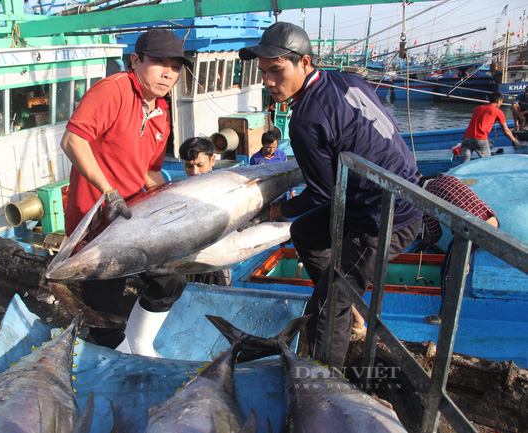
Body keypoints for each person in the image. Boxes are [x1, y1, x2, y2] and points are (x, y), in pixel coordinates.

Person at [239, 22, 423, 369]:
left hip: (382, 220)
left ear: (304, 63)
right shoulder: (347, 80)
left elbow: (322, 193)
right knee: (306, 233)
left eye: (277, 71)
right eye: (263, 73)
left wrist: (274, 212)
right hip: (396, 195)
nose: (269, 82)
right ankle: (344, 295)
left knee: (325, 306)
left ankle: (326, 385)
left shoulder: (305, 119)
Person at [60, 29, 193, 357]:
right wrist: (108, 192)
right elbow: (72, 141)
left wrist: (177, 204)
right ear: (136, 60)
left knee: (171, 280)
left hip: (136, 222)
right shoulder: (113, 90)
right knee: (105, 312)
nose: (168, 73)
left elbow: (149, 171)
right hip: (97, 226)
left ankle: (141, 345)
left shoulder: (162, 111)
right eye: (159, 62)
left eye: (175, 67)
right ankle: (118, 354)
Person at [413, 173, 498, 326]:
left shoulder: (424, 198)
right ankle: (465, 266)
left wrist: (422, 245)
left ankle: (446, 316)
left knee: (448, 273)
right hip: (492, 222)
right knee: (462, 260)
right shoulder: (447, 178)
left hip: (472, 231)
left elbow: (435, 234)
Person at [178, 137, 232, 286]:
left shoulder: (227, 188)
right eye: (189, 166)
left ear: (213, 160)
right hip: (186, 262)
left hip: (216, 261)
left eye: (200, 165)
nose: (195, 172)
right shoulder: (179, 192)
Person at [460, 92, 521, 164]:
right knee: (487, 162)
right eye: (501, 102)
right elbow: (506, 131)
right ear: (498, 101)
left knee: (464, 163)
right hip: (480, 139)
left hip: (467, 138)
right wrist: (515, 141)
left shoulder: (477, 108)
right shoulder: (498, 112)